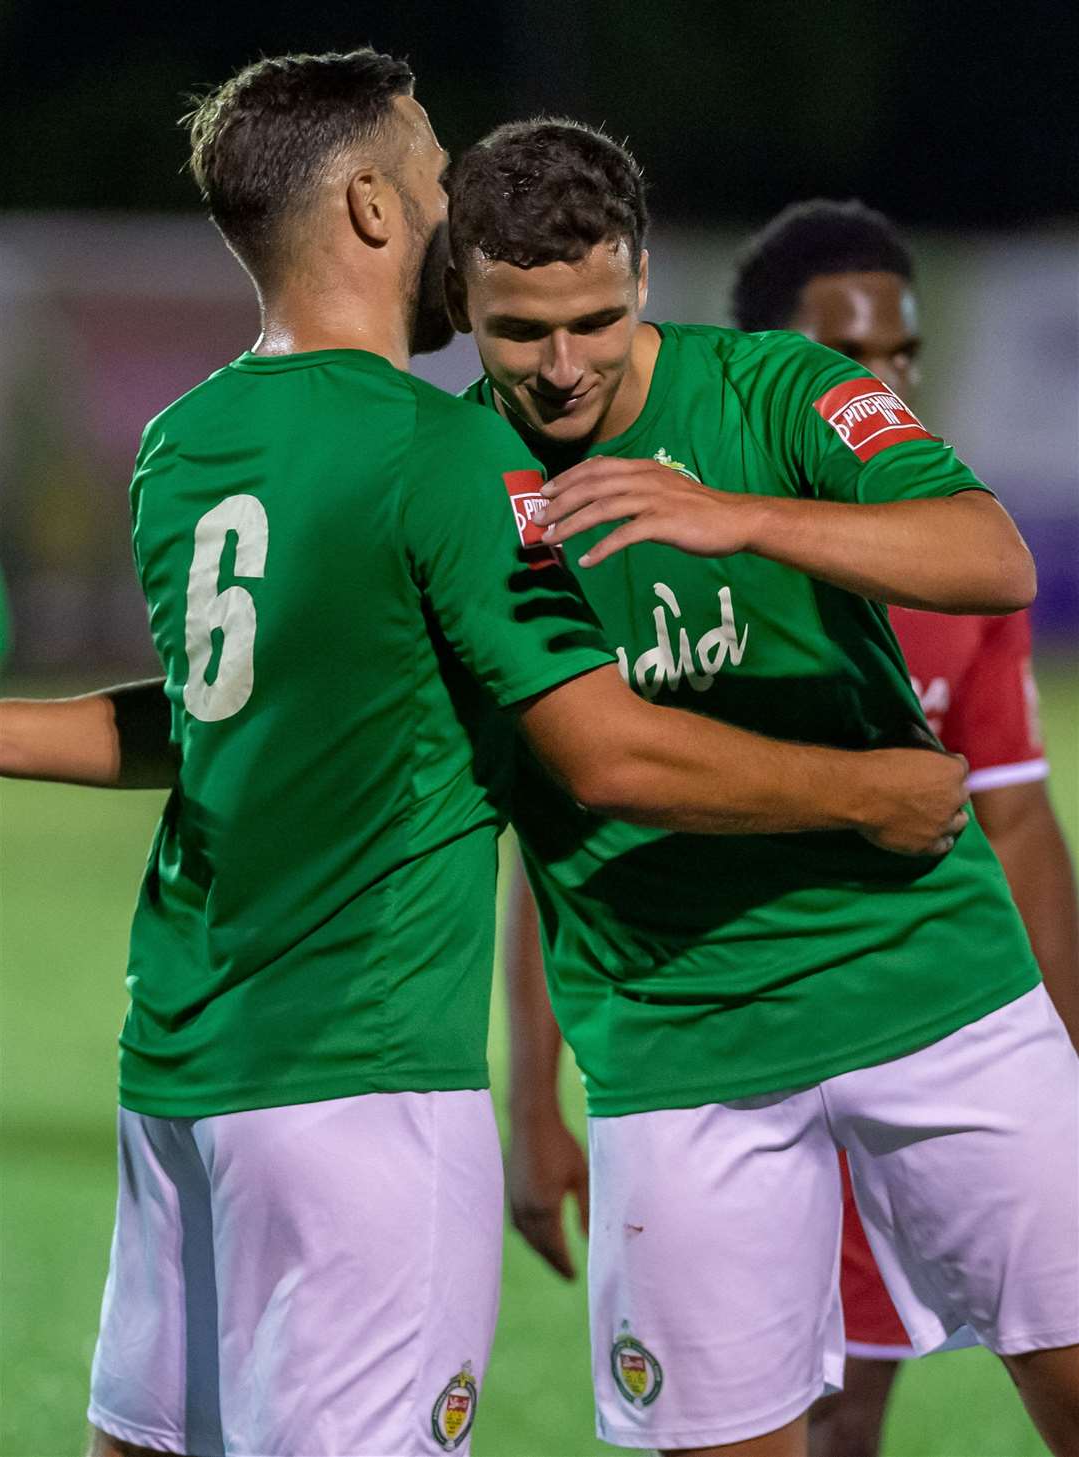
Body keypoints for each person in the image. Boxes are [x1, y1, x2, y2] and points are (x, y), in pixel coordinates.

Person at [0, 57, 974, 1457]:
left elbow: (226, 708)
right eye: (441, 167)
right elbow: (609, 754)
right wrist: (874, 791)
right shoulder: (446, 455)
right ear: (373, 206)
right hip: (365, 1091)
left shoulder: (184, 445)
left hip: (181, 1074)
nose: (466, 198)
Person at [443, 120, 1079, 1457]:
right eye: (521, 333)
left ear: (647, 274)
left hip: (928, 981)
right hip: (680, 1043)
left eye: (598, 322)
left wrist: (740, 513)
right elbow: (570, 792)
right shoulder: (449, 485)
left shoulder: (779, 389)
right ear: (462, 304)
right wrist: (534, 1098)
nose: (564, 368)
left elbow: (992, 554)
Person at [729, 196, 1079, 1457]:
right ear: (764, 363)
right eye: (851, 357)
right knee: (808, 1408)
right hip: (748, 1053)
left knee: (921, 1381)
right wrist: (542, 1104)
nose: (890, 383)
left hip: (928, 1034)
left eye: (905, 354)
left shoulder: (954, 554)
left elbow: (1022, 822)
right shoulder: (690, 546)